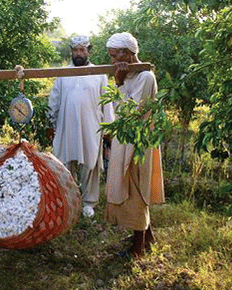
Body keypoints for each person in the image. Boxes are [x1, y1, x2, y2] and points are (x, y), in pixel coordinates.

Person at [105, 32, 164, 258]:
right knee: (129, 185)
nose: (111, 62)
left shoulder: (145, 77)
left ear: (127, 55)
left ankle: (137, 249)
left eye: (113, 56)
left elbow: (129, 112)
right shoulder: (129, 74)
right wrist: (121, 81)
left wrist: (119, 83)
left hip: (139, 142)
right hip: (125, 139)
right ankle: (147, 237)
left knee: (137, 188)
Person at [47, 35, 114, 217]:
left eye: (82, 50)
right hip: (65, 126)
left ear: (88, 51)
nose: (78, 53)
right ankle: (67, 200)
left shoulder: (99, 73)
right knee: (64, 161)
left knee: (90, 162)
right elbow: (54, 99)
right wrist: (50, 122)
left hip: (91, 127)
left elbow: (106, 102)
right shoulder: (63, 73)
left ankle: (88, 202)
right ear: (71, 51)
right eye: (75, 50)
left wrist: (108, 127)